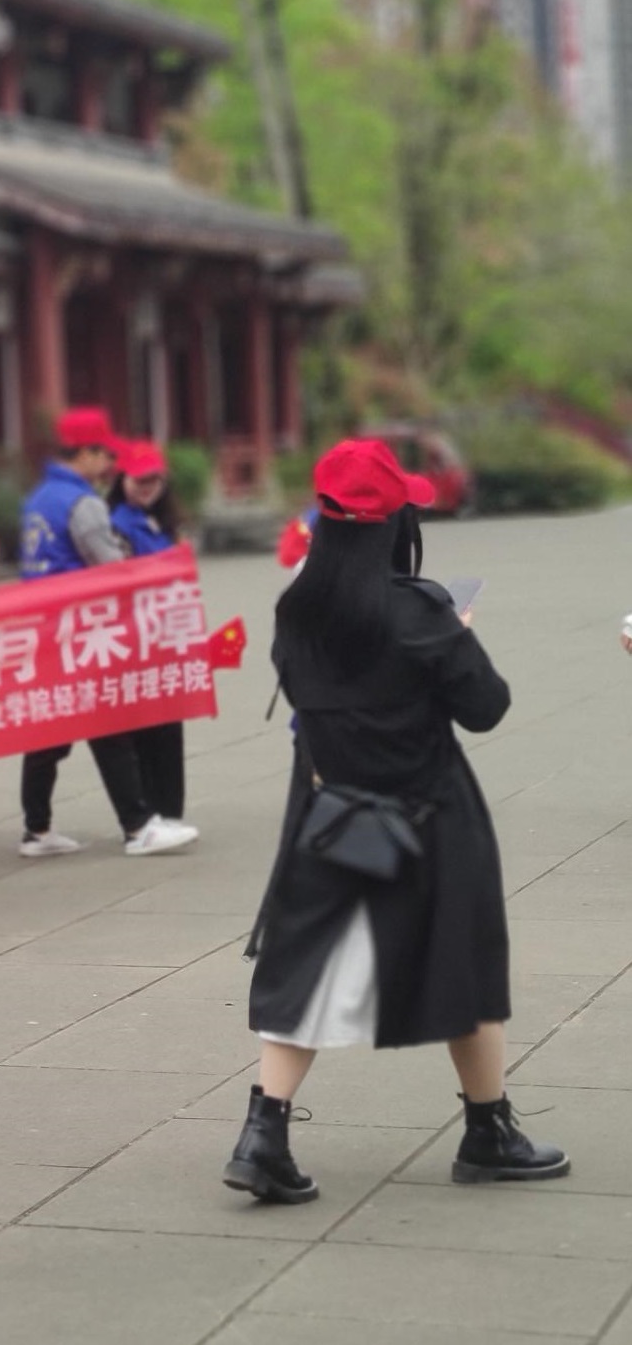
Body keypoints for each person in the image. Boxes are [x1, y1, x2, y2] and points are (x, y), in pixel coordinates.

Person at [227, 438, 566, 1204]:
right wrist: (457, 630)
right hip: (429, 817)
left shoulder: (296, 610)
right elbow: (485, 707)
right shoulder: (417, 611)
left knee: (304, 967)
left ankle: (262, 1134)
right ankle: (487, 1129)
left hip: (331, 814)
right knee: (464, 962)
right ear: (391, 524)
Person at [14, 408, 197, 859]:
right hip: (81, 629)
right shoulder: (84, 503)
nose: (110, 465)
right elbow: (111, 568)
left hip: (45, 628)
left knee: (50, 733)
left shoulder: (40, 498)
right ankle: (138, 827)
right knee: (109, 725)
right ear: (88, 453)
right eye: (105, 454)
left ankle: (36, 829)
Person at [109, 441, 189, 827]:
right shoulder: (116, 524)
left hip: (166, 635)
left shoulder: (163, 522)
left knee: (168, 727)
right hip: (134, 638)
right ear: (121, 478)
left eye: (153, 479)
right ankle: (151, 811)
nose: (146, 486)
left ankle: (170, 809)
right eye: (139, 479)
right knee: (144, 729)